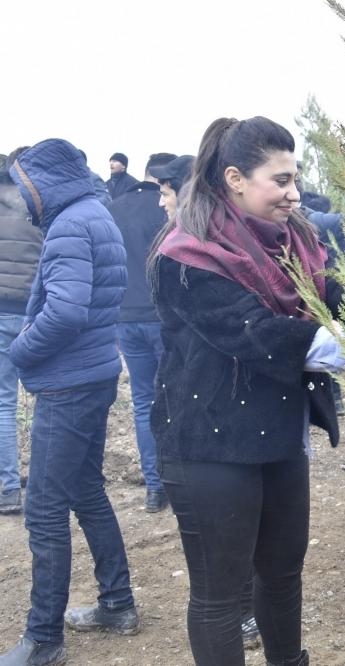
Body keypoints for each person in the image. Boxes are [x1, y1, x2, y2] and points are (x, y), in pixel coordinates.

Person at [148, 116, 345, 666]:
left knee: (283, 572)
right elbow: (254, 334)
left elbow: (329, 293)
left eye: (295, 178)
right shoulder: (187, 255)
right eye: (280, 180)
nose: (294, 192)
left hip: (278, 433)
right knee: (219, 594)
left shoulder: (293, 242)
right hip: (209, 441)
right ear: (235, 178)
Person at [1, 139, 139, 666]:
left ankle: (44, 639)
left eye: (24, 183)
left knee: (43, 509)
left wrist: (19, 350)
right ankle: (117, 602)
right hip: (93, 373)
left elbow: (64, 312)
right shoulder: (93, 214)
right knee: (85, 489)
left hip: (68, 385)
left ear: (43, 181)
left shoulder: (69, 225)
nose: (22, 195)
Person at [107, 152, 176, 513]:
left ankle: (154, 486)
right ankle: (179, 480)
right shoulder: (165, 208)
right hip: (162, 316)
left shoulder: (114, 209)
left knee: (142, 401)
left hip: (126, 318)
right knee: (177, 395)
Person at [0, 154, 42, 516]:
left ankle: (10, 489)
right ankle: (46, 480)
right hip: (32, 312)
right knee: (45, 397)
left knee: (3, 403)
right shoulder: (37, 206)